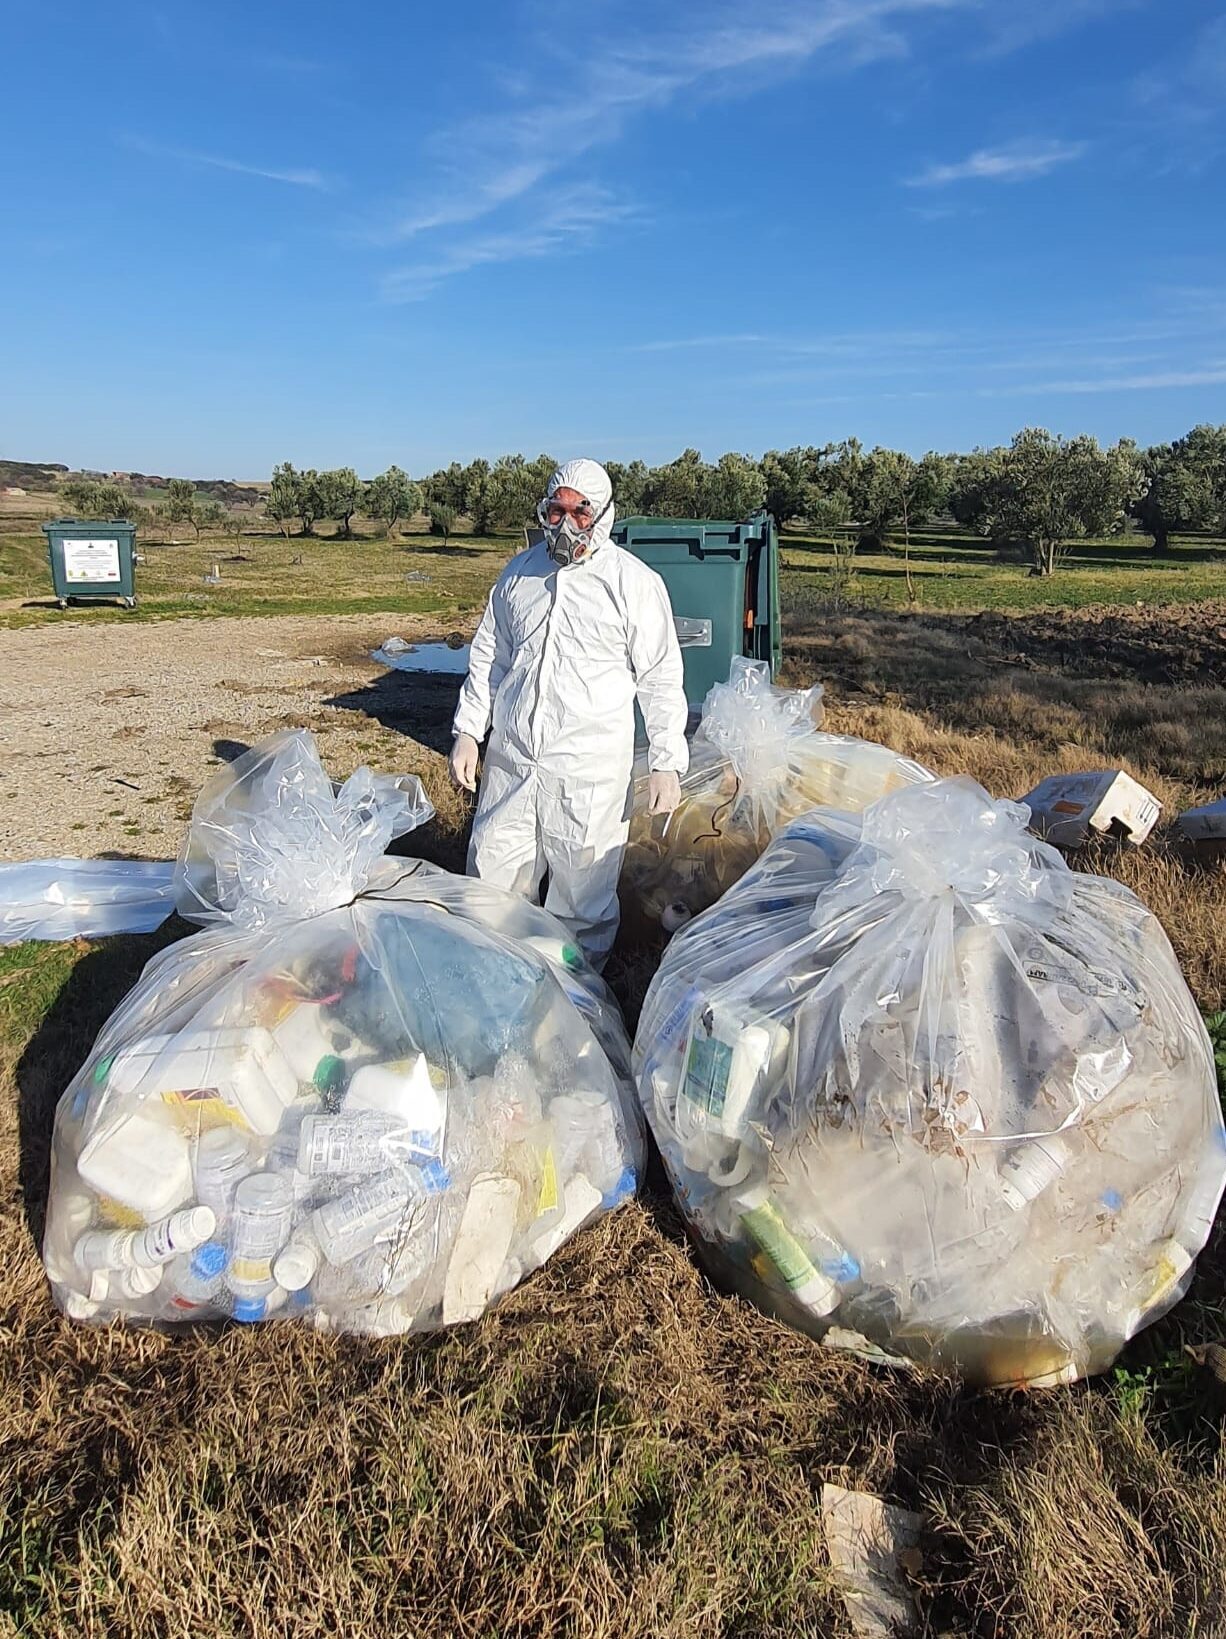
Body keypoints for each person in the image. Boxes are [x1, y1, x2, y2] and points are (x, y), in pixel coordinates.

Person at [449, 457, 688, 969]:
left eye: (580, 513)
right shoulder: (519, 575)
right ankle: (493, 979)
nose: (565, 525)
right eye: (556, 511)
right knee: (492, 875)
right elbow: (490, 659)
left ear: (602, 516)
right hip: (514, 759)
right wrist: (469, 731)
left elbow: (661, 676)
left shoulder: (633, 584)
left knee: (581, 898)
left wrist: (667, 758)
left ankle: (577, 1006)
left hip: (589, 770)